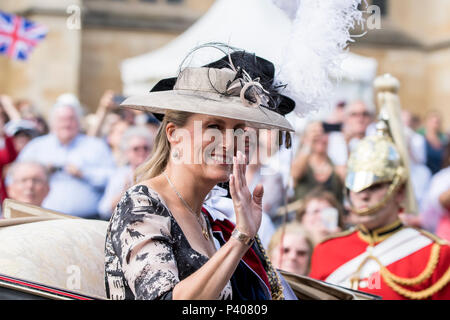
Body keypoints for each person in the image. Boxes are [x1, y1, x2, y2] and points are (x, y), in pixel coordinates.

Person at [104, 47, 298, 300]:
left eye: (239, 129)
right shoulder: (142, 203)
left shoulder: (206, 218)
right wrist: (241, 238)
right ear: (174, 134)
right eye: (214, 127)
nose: (229, 142)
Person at [309, 113, 450, 299]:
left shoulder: (435, 253)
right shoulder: (325, 251)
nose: (364, 196)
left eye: (374, 186)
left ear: (399, 192)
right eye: (356, 187)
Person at [18, 93, 115, 218]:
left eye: (71, 119)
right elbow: (13, 179)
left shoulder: (96, 146)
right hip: (42, 220)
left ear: (79, 122)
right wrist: (41, 172)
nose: (66, 124)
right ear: (52, 122)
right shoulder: (36, 147)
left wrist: (84, 174)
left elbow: (113, 178)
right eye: (62, 119)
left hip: (88, 220)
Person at [98, 125, 155, 220]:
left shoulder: (158, 173)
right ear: (126, 152)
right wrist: (125, 193)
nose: (141, 152)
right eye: (136, 149)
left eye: (145, 148)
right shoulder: (120, 174)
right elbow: (104, 210)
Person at [290, 121, 344, 203]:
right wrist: (308, 143)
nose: (320, 137)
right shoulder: (303, 165)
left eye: (324, 132)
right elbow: (295, 174)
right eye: (315, 133)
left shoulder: (336, 168)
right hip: (307, 213)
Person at [327, 100, 373, 179]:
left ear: (371, 118)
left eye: (365, 114)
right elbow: (342, 175)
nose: (360, 119)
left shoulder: (375, 141)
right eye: (354, 115)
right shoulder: (335, 141)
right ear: (345, 118)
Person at [417, 110, 448, 174]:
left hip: (439, 175)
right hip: (424, 175)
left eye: (437, 122)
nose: (435, 125)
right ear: (426, 122)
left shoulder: (444, 140)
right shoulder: (419, 139)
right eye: (433, 122)